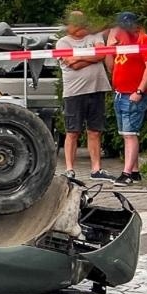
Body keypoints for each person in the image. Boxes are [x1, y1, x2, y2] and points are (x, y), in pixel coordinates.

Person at [104, 12, 147, 186]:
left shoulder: (145, 40)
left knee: (130, 133)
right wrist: (109, 48)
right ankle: (134, 171)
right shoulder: (121, 44)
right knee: (126, 133)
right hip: (120, 92)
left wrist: (140, 90)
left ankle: (126, 173)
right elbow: (111, 67)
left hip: (133, 93)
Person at [55, 10, 110, 178]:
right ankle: (70, 169)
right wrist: (91, 56)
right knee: (73, 131)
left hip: (96, 89)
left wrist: (80, 57)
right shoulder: (62, 43)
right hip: (74, 92)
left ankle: (96, 169)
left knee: (95, 130)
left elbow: (101, 54)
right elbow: (72, 64)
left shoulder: (95, 37)